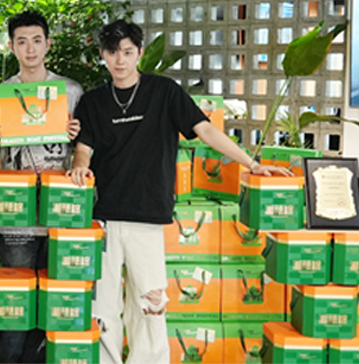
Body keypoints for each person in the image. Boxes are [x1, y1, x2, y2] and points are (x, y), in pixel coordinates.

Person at [68, 20, 291, 364]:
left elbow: (206, 130)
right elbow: (84, 147)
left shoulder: (164, 92)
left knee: (151, 303)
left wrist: (252, 163)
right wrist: (80, 165)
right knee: (103, 307)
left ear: (139, 53)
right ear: (103, 55)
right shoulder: (93, 101)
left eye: (127, 51)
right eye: (112, 52)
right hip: (103, 219)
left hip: (147, 216)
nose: (120, 60)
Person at [0, 10, 83, 364]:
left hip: (62, 212)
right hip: (15, 215)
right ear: (11, 47)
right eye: (22, 41)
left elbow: (85, 148)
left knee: (55, 301)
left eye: (36, 40)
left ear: (48, 44)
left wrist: (76, 134)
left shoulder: (70, 91)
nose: (30, 49)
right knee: (15, 303)